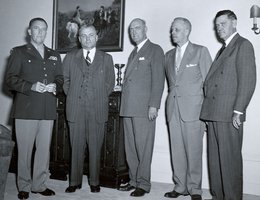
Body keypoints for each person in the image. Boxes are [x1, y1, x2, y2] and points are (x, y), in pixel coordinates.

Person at [200, 10, 256, 200]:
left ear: (234, 23)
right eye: (217, 25)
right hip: (214, 113)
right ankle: (218, 196)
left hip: (229, 114)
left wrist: (238, 111)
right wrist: (207, 114)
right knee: (215, 161)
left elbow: (248, 80)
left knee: (229, 161)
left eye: (222, 24)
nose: (219, 28)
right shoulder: (223, 49)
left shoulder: (243, 45)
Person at [5, 17, 63, 199]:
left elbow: (60, 78)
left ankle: (39, 185)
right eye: (36, 29)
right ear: (29, 31)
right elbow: (10, 79)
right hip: (26, 109)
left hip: (47, 109)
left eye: (43, 29)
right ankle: (24, 185)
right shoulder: (19, 52)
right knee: (25, 150)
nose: (40, 32)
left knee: (44, 150)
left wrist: (56, 86)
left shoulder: (54, 54)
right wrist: (30, 86)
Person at [63, 25, 115, 194]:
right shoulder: (71, 57)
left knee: (95, 147)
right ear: (79, 38)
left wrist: (97, 97)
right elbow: (65, 81)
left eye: (90, 35)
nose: (87, 39)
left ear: (96, 37)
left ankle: (94, 181)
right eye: (83, 36)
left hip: (97, 109)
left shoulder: (106, 58)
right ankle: (74, 181)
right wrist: (73, 95)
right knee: (76, 146)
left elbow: (110, 83)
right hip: (75, 108)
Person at [164, 17, 212, 200]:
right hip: (173, 110)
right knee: (176, 150)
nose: (172, 33)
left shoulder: (200, 51)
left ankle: (195, 189)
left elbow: (209, 84)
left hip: (194, 111)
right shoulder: (168, 56)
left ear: (186, 31)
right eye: (172, 29)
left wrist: (207, 114)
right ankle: (180, 186)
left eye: (176, 29)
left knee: (194, 151)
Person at [119, 18, 165, 197]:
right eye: (131, 30)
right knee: (130, 148)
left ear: (146, 29)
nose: (134, 32)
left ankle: (144, 184)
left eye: (137, 28)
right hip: (128, 107)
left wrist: (154, 105)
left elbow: (158, 81)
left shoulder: (155, 50)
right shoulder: (134, 52)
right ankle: (133, 180)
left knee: (143, 148)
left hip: (144, 108)